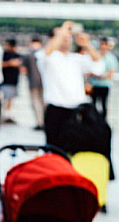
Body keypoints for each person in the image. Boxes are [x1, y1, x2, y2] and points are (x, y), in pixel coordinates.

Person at [36, 21, 104, 150]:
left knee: (76, 147)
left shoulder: (76, 58)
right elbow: (47, 52)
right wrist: (62, 31)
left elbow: (98, 67)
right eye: (62, 36)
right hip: (55, 109)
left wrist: (87, 45)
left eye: (68, 36)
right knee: (54, 149)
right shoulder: (46, 57)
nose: (66, 38)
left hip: (76, 110)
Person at [88, 37, 118, 120]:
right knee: (92, 105)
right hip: (93, 85)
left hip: (104, 85)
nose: (103, 47)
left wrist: (96, 76)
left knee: (103, 105)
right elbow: (89, 71)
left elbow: (110, 74)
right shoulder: (94, 56)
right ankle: (92, 122)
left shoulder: (111, 58)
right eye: (102, 44)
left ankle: (102, 123)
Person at [23, 37, 45, 131]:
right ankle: (41, 122)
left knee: (39, 103)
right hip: (40, 82)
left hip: (37, 82)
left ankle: (41, 122)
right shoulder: (43, 53)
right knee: (39, 103)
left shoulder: (29, 55)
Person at [0, 38, 23, 124]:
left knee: (10, 100)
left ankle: (8, 115)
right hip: (5, 80)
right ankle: (3, 115)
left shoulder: (17, 55)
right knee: (3, 99)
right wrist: (10, 63)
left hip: (13, 81)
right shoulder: (4, 55)